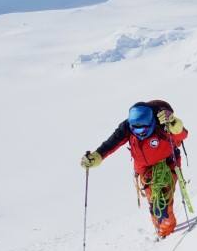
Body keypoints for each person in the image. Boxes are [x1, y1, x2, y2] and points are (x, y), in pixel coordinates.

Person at [81, 100, 189, 238]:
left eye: (143, 128)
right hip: (145, 170)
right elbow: (111, 143)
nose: (140, 132)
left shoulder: (162, 124)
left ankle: (168, 233)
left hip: (167, 165)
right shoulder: (126, 127)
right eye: (135, 129)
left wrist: (174, 124)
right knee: (153, 202)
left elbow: (182, 135)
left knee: (163, 201)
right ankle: (161, 231)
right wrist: (97, 156)